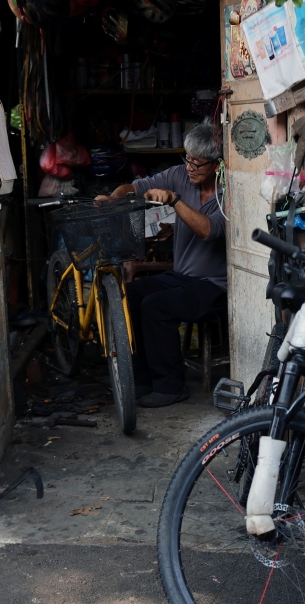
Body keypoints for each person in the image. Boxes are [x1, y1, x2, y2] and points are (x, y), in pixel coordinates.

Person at [97, 121, 227, 408]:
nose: (190, 168)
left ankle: (170, 386)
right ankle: (141, 381)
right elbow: (135, 186)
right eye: (188, 159)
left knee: (156, 306)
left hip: (215, 286)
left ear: (217, 165)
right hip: (183, 276)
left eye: (198, 163)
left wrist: (174, 200)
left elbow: (209, 231)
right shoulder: (180, 175)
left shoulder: (227, 193)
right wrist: (113, 198)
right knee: (130, 296)